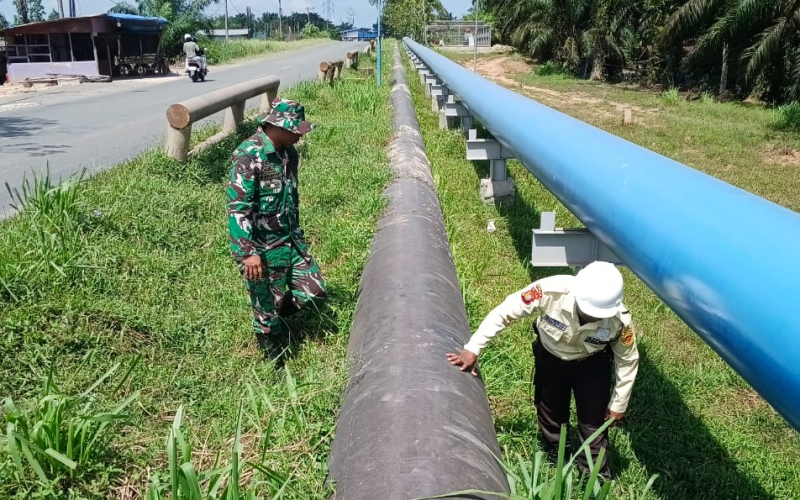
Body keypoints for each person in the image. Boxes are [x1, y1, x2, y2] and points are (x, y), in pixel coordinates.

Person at [446, 261, 639, 479]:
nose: (592, 318)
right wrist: (472, 349)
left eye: (597, 315)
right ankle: (558, 460)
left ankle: (594, 478)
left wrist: (618, 404)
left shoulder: (618, 319)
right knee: (550, 412)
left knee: (593, 426)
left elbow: (627, 359)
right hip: (550, 360)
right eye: (588, 312)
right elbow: (505, 312)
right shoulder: (552, 291)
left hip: (591, 367)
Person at [226, 98, 327, 361]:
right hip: (259, 248)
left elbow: (291, 200)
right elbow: (238, 207)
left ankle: (279, 311)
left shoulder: (289, 154)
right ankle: (274, 361)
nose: (299, 137)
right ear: (279, 127)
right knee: (266, 310)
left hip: (289, 240)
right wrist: (248, 252)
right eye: (295, 131)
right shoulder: (249, 154)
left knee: (314, 289)